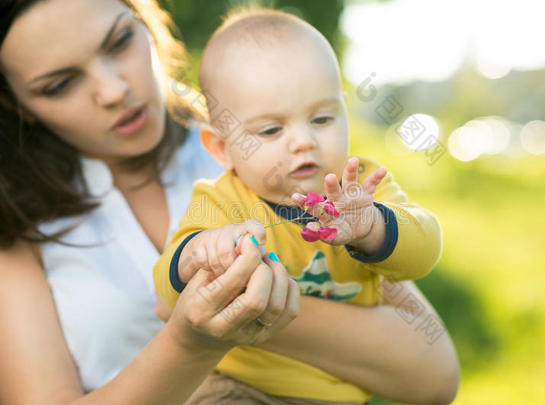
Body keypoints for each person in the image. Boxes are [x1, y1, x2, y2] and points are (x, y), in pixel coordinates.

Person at [0, 0, 459, 404]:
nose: (114, 90)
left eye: (120, 41)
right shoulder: (19, 224)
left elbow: (433, 373)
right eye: (59, 84)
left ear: (146, 20)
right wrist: (189, 336)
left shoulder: (274, 162)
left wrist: (374, 229)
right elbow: (169, 295)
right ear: (14, 102)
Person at [154, 8, 448, 405]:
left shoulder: (360, 190)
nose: (303, 141)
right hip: (238, 387)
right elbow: (167, 299)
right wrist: (194, 255)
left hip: (336, 393)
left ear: (345, 111)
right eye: (272, 129)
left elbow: (423, 251)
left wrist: (373, 227)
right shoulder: (221, 202)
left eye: (322, 118)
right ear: (221, 148)